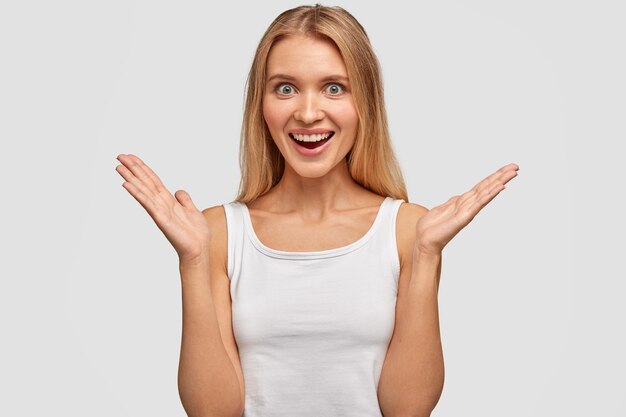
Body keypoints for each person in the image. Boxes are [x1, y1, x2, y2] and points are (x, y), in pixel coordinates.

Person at [115, 4, 519, 417]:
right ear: (261, 104)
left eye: (334, 88)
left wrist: (427, 255)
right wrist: (193, 262)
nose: (308, 113)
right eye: (285, 88)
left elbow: (408, 409)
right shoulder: (218, 233)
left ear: (366, 102)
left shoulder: (408, 230)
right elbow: (214, 412)